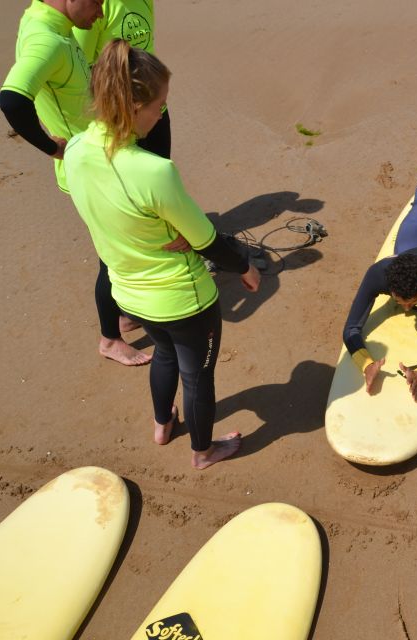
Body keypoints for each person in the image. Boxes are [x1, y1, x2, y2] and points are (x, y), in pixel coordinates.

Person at [63, 40, 262, 469]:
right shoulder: (154, 170)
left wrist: (159, 232)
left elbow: (108, 212)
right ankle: (204, 451)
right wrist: (245, 266)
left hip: (127, 292)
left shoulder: (76, 150)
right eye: (158, 105)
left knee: (165, 354)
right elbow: (208, 239)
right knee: (197, 375)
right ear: (132, 106)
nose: (161, 114)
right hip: (183, 300)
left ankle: (161, 424)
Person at [0, 0, 150, 366]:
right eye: (97, 3)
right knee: (111, 257)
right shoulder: (47, 40)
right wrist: (52, 148)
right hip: (89, 171)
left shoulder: (41, 18)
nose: (100, 13)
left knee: (113, 249)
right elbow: (11, 100)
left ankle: (123, 315)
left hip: (96, 161)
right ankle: (110, 339)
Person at [343, 160, 417, 402]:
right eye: (401, 302)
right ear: (390, 287)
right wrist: (366, 364)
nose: (407, 308)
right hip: (410, 231)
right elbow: (350, 329)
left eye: (413, 301)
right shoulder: (378, 274)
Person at [73, 0, 171, 158]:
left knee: (161, 170)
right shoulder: (95, 7)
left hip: (154, 110)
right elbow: (81, 66)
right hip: (121, 118)